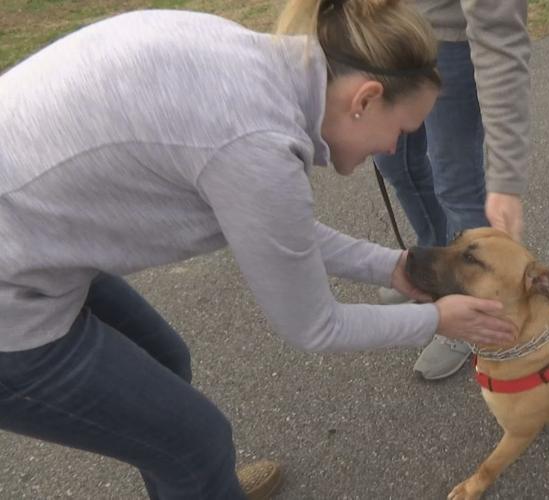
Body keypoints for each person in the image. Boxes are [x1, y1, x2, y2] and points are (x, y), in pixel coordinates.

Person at [0, 1, 517, 498]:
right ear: (364, 99)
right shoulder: (255, 144)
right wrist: (437, 320)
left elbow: (273, 228)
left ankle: (200, 482)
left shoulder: (256, 69)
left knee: (165, 361)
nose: (391, 149)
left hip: (28, 244)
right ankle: (199, 474)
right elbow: (315, 326)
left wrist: (392, 268)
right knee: (196, 443)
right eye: (403, 130)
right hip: (13, 303)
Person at [373, 0, 532, 380]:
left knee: (456, 186)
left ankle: (469, 316)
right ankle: (426, 270)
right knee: (395, 162)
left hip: (450, 44)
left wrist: (506, 179)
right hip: (386, 31)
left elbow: (499, 37)